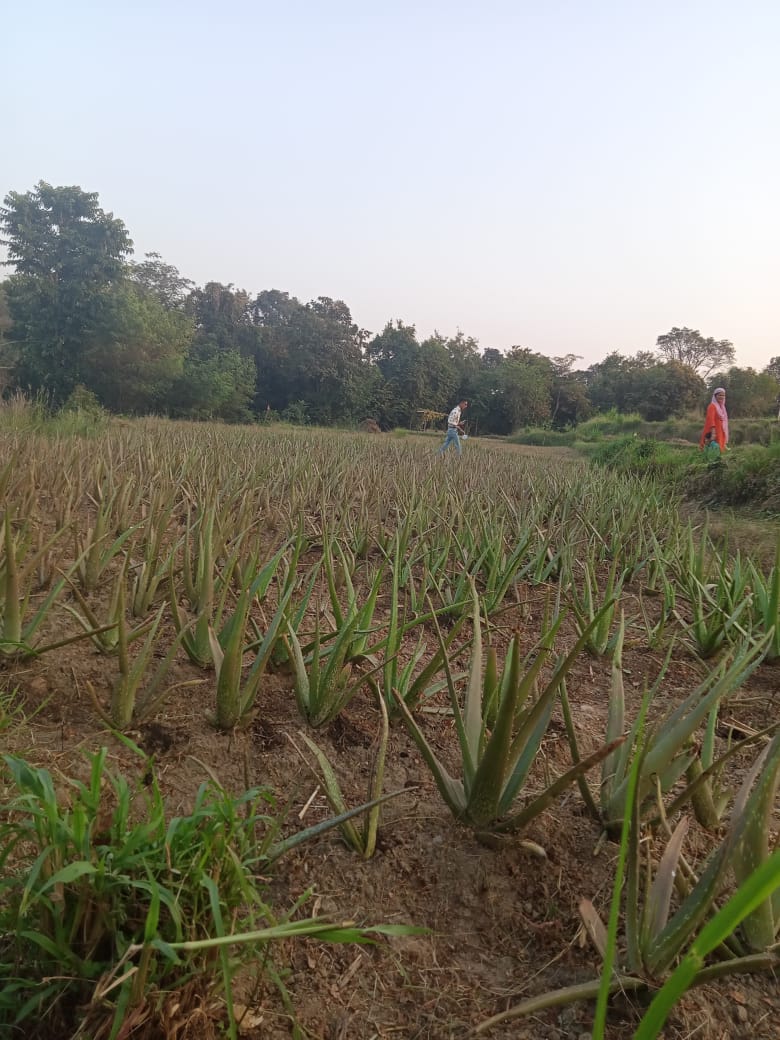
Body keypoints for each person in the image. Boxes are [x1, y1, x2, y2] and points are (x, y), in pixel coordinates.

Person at [699, 387, 729, 454]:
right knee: (709, 449)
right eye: (719, 395)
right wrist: (713, 433)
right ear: (715, 396)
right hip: (713, 431)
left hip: (720, 431)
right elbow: (711, 420)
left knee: (718, 450)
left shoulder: (722, 408)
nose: (722, 397)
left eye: (723, 395)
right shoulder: (712, 406)